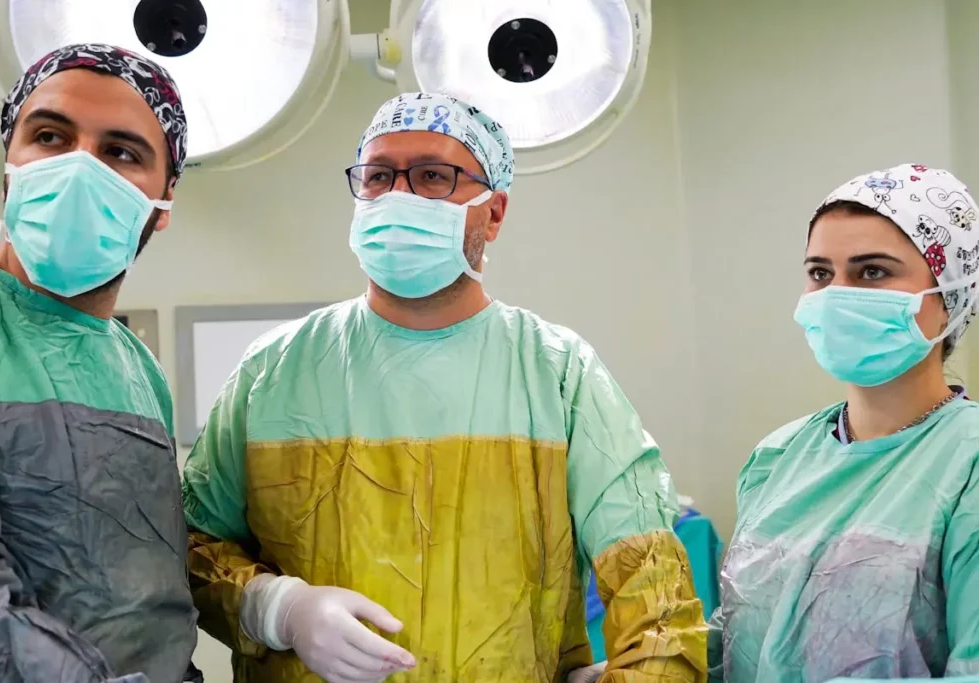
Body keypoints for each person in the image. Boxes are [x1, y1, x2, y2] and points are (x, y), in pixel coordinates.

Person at [183, 92, 708, 683]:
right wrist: (277, 608)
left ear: (495, 211)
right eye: (379, 176)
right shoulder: (273, 371)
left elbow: (655, 595)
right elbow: (191, 546)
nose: (399, 195)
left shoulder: (559, 374)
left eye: (433, 176)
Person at [0, 44, 199, 682]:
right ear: (10, 162)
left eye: (121, 151)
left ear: (165, 198)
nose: (78, 167)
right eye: (50, 135)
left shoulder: (137, 366)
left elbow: (145, 598)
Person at [708, 163, 979, 682]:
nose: (836, 294)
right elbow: (739, 638)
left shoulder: (966, 465)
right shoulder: (778, 456)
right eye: (819, 273)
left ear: (950, 298)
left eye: (872, 271)